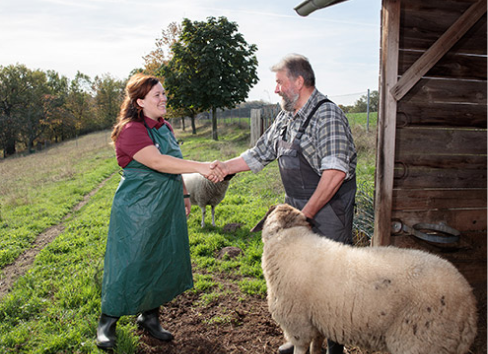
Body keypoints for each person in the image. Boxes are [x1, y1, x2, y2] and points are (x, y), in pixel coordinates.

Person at [212, 54, 357, 354]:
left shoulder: (326, 115)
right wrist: (223, 167)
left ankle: (334, 347)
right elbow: (258, 154)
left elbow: (335, 173)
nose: (275, 89)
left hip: (328, 211)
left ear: (298, 82)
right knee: (298, 280)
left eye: (279, 82)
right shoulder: (285, 118)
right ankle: (301, 339)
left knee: (331, 283)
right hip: (299, 211)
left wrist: (306, 216)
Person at [96, 73, 223, 350]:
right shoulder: (131, 130)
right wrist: (201, 167)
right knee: (129, 261)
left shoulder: (165, 127)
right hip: (137, 208)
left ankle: (150, 317)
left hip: (166, 205)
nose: (164, 98)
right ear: (140, 101)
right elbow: (157, 161)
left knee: (160, 257)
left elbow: (173, 162)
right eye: (157, 95)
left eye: (164, 93)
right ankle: (108, 321)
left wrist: (185, 193)